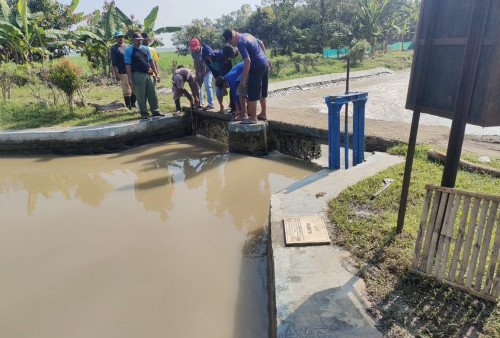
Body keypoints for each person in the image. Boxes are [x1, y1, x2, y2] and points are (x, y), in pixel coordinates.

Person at [223, 29, 271, 124]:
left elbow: (247, 61)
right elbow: (260, 43)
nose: (231, 44)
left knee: (252, 92)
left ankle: (253, 118)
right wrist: (265, 57)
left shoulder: (240, 43)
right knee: (262, 91)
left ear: (232, 37)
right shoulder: (247, 35)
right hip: (264, 64)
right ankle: (263, 113)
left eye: (229, 41)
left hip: (256, 66)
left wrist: (243, 80)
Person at [124, 32, 164, 120]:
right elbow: (128, 65)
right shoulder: (129, 50)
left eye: (141, 39)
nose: (140, 41)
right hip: (138, 74)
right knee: (141, 95)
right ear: (133, 40)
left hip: (149, 74)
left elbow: (151, 61)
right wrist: (129, 79)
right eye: (138, 40)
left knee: (152, 93)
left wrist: (156, 73)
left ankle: (155, 111)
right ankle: (144, 113)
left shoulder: (146, 49)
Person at [201, 44, 234, 113]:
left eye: (209, 55)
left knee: (233, 89)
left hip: (228, 73)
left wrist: (224, 84)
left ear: (211, 53)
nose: (208, 57)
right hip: (219, 76)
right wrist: (219, 83)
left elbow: (223, 69)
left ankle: (232, 105)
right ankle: (221, 106)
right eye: (206, 56)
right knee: (218, 90)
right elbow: (213, 72)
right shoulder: (207, 60)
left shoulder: (220, 55)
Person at [110, 30, 136, 109]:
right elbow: (114, 63)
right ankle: (128, 105)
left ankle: (133, 103)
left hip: (131, 70)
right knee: (126, 89)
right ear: (116, 38)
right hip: (122, 71)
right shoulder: (114, 48)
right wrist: (116, 74)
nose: (121, 38)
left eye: (122, 36)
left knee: (134, 87)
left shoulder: (128, 46)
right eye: (119, 37)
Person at [190, 38, 214, 110]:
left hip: (208, 70)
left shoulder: (204, 51)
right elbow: (195, 63)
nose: (194, 49)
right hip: (200, 70)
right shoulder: (192, 51)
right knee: (198, 85)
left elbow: (205, 67)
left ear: (199, 45)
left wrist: (202, 78)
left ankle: (211, 104)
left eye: (195, 47)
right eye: (193, 48)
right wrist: (197, 75)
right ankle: (200, 102)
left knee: (207, 85)